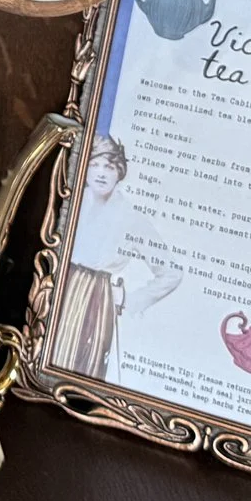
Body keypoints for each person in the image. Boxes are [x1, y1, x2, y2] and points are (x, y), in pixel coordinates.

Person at [50, 135, 180, 382]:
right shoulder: (70, 200)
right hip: (59, 289)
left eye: (109, 167)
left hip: (95, 300)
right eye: (95, 164)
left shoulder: (130, 217)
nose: (101, 173)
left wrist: (130, 300)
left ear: (120, 172)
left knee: (78, 370)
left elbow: (171, 271)